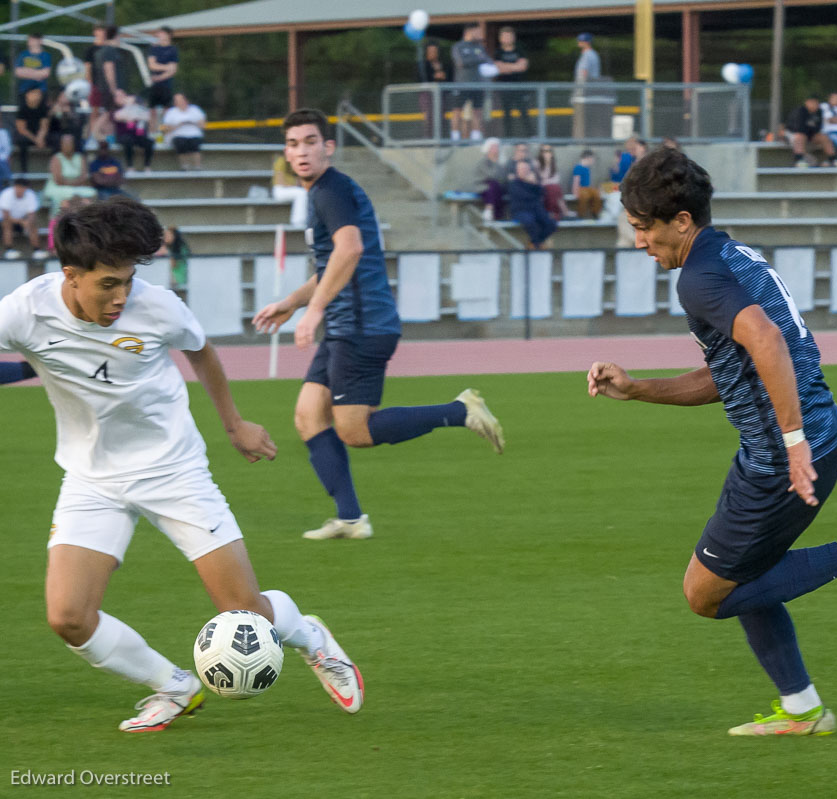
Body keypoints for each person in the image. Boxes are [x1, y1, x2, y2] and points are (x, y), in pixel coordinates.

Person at [587, 147, 837, 737]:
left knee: (706, 593)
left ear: (681, 222)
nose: (639, 242)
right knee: (745, 573)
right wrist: (637, 389)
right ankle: (803, 710)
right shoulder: (731, 255)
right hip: (800, 444)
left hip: (783, 461)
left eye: (643, 229)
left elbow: (766, 342)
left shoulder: (699, 277)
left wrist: (792, 444)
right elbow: (731, 372)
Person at [0, 196, 365, 732]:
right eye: (108, 284)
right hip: (91, 478)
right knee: (69, 617)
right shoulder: (23, 311)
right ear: (71, 274)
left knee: (246, 616)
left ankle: (311, 636)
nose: (122, 296)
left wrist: (235, 423)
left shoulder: (159, 306)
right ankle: (173, 686)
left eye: (128, 280)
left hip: (174, 470)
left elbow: (202, 352)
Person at [251, 109, 505, 540]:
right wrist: (293, 302)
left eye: (310, 141)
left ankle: (459, 411)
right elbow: (333, 264)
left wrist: (313, 313)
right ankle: (351, 519)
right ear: (286, 153)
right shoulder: (326, 193)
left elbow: (349, 251)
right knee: (309, 417)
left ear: (327, 147)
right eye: (293, 144)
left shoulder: (331, 191)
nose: (301, 151)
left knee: (355, 431)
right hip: (346, 322)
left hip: (361, 325)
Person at [450, 24, 491, 142]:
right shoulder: (458, 46)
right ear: (469, 31)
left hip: (478, 85)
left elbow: (487, 60)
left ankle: (476, 137)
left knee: (477, 112)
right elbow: (461, 62)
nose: (480, 35)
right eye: (477, 32)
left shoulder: (479, 47)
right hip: (461, 85)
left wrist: (478, 60)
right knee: (457, 111)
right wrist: (478, 59)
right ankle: (455, 137)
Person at [42, 134, 97, 215]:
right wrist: (75, 184)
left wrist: (75, 184)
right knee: (71, 194)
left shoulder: (80, 157)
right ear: (61, 145)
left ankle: (85, 217)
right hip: (58, 187)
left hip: (76, 186)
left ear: (73, 145)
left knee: (92, 192)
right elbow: (58, 180)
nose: (67, 146)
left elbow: (84, 177)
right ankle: (59, 220)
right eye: (65, 144)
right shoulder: (56, 158)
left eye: (69, 144)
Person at [509, 159, 557, 249]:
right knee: (531, 223)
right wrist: (533, 189)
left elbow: (542, 192)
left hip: (536, 209)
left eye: (526, 169)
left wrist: (534, 183)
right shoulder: (514, 184)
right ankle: (537, 246)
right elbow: (525, 196)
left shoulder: (533, 182)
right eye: (522, 169)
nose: (524, 171)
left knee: (551, 224)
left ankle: (534, 242)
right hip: (521, 211)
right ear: (517, 170)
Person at [493, 27, 531, 138]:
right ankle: (508, 137)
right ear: (500, 38)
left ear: (513, 37)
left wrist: (506, 67)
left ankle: (531, 136)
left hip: (520, 87)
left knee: (524, 112)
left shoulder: (520, 50)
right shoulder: (498, 52)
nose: (507, 38)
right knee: (506, 114)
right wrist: (515, 66)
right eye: (505, 36)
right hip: (504, 88)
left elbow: (523, 66)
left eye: (509, 36)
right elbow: (498, 68)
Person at [1, 179, 48, 259]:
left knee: (33, 224)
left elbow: (32, 214)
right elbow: (6, 216)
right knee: (7, 224)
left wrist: (28, 222)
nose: (20, 190)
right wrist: (22, 222)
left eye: (22, 188)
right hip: (5, 221)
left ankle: (37, 250)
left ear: (26, 188)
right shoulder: (6, 194)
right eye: (19, 187)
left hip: (22, 220)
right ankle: (9, 250)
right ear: (15, 187)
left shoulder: (31, 195)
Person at [784, 95, 834, 168]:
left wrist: (810, 128)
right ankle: (798, 160)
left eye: (816, 103)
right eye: (812, 102)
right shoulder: (801, 111)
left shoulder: (819, 112)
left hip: (808, 135)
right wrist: (811, 127)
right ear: (807, 103)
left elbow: (818, 128)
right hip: (792, 134)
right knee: (800, 136)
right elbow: (799, 128)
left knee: (823, 137)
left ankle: (832, 159)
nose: (814, 105)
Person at [146, 27, 179, 134]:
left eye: (162, 33)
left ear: (168, 35)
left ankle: (167, 135)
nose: (159, 35)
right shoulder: (154, 48)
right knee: (152, 111)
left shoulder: (173, 50)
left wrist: (159, 77)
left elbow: (173, 70)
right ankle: (152, 134)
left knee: (167, 111)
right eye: (159, 33)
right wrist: (166, 67)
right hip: (154, 86)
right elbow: (152, 65)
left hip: (166, 85)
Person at [161, 93, 206, 170]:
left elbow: (202, 125)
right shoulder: (171, 112)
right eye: (177, 101)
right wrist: (179, 124)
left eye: (181, 100)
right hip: (178, 134)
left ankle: (197, 166)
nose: (179, 102)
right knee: (181, 144)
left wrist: (192, 122)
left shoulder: (195, 110)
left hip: (194, 134)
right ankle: (184, 166)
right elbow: (167, 128)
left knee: (194, 144)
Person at [112, 89, 154, 172]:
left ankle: (147, 166)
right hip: (124, 136)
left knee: (149, 142)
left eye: (122, 96)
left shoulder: (137, 108)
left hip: (138, 134)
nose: (120, 98)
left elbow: (146, 118)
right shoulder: (115, 110)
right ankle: (130, 166)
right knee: (128, 141)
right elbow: (118, 117)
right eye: (117, 96)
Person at [14, 86, 50, 174]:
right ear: (27, 95)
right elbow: (22, 129)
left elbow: (44, 127)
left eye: (39, 93)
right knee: (22, 141)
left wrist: (40, 138)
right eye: (35, 93)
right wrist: (36, 140)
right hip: (27, 136)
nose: (37, 96)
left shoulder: (43, 108)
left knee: (55, 139)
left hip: (39, 136)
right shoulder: (22, 108)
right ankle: (24, 172)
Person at [572, 33, 602, 140]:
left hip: (586, 91)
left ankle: (581, 140)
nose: (579, 43)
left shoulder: (588, 55)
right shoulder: (593, 54)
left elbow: (583, 73)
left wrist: (579, 90)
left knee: (582, 119)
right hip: (592, 90)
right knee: (590, 119)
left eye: (582, 41)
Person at [416, 42, 448, 139]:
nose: (433, 53)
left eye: (435, 51)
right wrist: (435, 75)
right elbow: (420, 78)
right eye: (430, 51)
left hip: (439, 94)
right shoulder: (422, 64)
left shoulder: (442, 64)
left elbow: (447, 77)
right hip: (427, 94)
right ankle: (427, 137)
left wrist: (440, 75)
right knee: (428, 116)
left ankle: (440, 137)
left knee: (439, 116)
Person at [473, 136, 507, 221]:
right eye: (494, 147)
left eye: (497, 147)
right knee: (493, 184)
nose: (496, 149)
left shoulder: (501, 161)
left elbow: (504, 177)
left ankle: (490, 211)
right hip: (483, 186)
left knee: (496, 186)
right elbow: (492, 175)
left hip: (496, 188)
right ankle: (490, 211)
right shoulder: (483, 162)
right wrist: (497, 163)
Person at [272, 150, 308, 227]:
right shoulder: (281, 161)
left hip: (289, 189)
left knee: (304, 192)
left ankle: (302, 220)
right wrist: (294, 183)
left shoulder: (294, 163)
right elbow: (279, 181)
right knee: (301, 193)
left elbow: (300, 180)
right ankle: (298, 222)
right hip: (279, 190)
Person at [536, 144, 570, 219]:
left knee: (555, 188)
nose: (546, 153)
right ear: (541, 153)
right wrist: (546, 164)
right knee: (555, 189)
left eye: (548, 151)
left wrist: (548, 164)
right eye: (544, 151)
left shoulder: (553, 164)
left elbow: (556, 179)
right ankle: (563, 212)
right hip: (541, 188)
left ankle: (554, 213)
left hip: (553, 189)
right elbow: (540, 180)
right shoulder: (537, 164)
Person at [14, 32, 52, 98]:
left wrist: (27, 71)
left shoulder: (46, 55)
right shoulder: (23, 54)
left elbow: (46, 73)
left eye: (33, 40)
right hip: (24, 89)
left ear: (40, 41)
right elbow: (18, 72)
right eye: (30, 40)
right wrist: (37, 74)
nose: (31, 42)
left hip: (41, 90)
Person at [572, 149, 602, 219]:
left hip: (588, 188)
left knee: (596, 194)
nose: (593, 161)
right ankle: (580, 215)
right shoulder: (578, 167)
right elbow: (576, 181)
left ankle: (595, 213)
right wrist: (575, 192)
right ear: (588, 158)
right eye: (593, 159)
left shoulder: (587, 168)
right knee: (585, 196)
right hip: (581, 189)